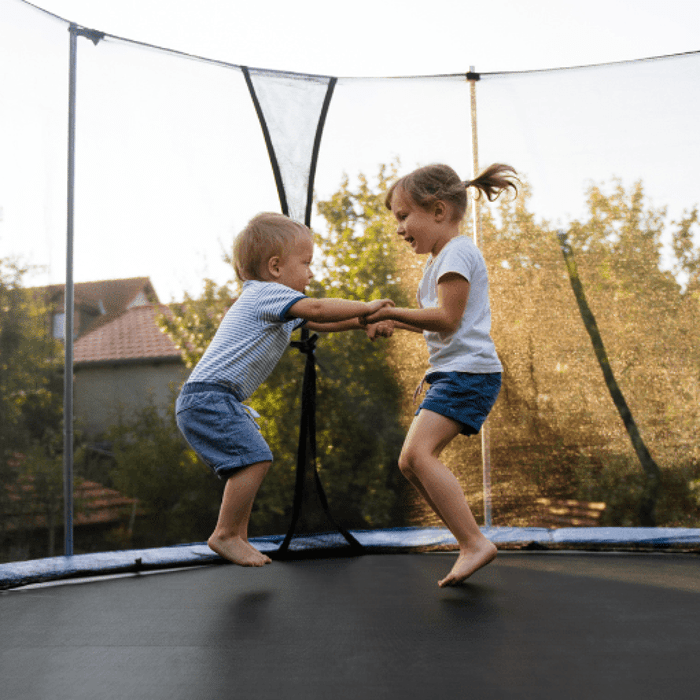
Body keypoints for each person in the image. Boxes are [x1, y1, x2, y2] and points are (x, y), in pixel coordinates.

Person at [176, 212, 394, 567]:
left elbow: (322, 319)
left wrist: (361, 322)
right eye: (306, 263)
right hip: (209, 398)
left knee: (250, 459)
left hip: (210, 398)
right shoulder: (265, 294)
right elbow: (320, 308)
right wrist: (368, 306)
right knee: (255, 458)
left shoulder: (271, 301)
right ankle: (227, 533)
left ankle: (235, 534)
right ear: (275, 267)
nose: (311, 273)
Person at [363, 163, 518, 587]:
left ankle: (473, 543)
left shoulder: (458, 252)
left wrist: (393, 311)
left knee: (416, 456)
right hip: (456, 374)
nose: (399, 228)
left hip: (469, 374)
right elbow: (439, 321)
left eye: (402, 216)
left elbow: (447, 318)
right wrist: (398, 322)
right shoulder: (440, 261)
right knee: (410, 462)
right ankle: (469, 542)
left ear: (437, 210)